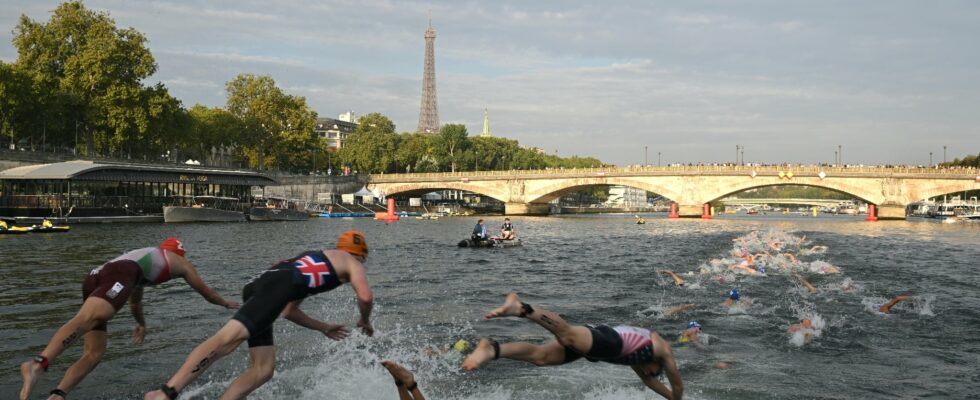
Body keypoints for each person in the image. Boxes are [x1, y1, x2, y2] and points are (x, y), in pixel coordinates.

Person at [143, 230, 374, 400]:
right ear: (360, 254)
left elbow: (288, 310)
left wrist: (322, 327)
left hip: (262, 283)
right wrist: (364, 319)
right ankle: (165, 394)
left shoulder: (317, 257)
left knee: (263, 369)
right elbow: (365, 297)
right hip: (277, 287)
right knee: (225, 342)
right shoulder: (353, 262)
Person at [19, 238, 240, 400]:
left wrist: (141, 324)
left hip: (95, 277)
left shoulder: (143, 262)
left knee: (94, 353)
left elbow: (135, 301)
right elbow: (207, 293)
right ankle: (39, 363)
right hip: (117, 274)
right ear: (179, 254)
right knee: (94, 315)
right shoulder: (179, 262)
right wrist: (225, 303)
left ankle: (57, 395)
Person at [462, 293, 683, 400]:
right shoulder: (661, 349)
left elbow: (653, 384)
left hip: (601, 345)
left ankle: (492, 349)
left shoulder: (639, 363)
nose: (647, 373)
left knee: (540, 358)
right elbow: (677, 384)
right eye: (652, 372)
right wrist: (677, 397)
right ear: (657, 363)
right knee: (566, 335)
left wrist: (671, 398)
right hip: (609, 339)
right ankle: (521, 308)